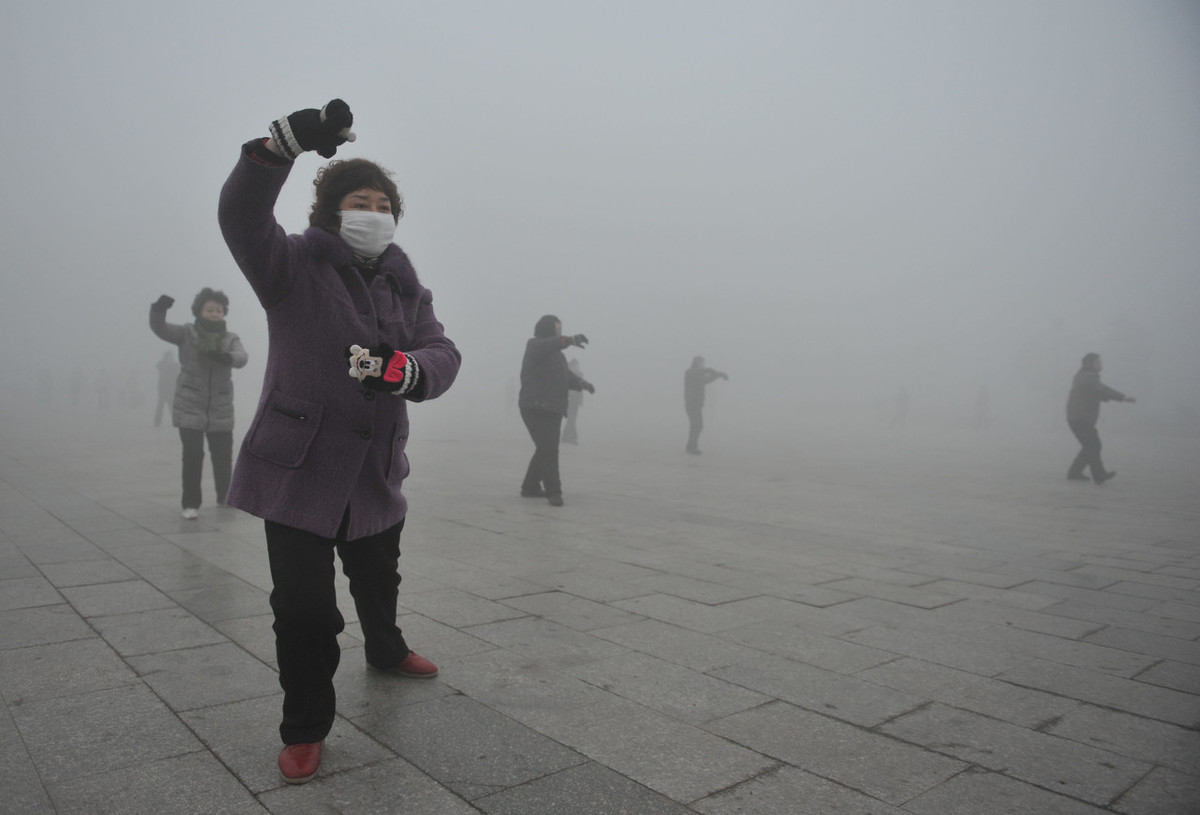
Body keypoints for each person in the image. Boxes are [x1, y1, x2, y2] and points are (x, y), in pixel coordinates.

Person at [218, 99, 461, 784]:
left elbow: (442, 351)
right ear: (331, 210)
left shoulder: (407, 287)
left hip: (374, 472)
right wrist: (278, 148)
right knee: (304, 610)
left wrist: (408, 370)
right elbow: (240, 215)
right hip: (299, 469)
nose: (374, 210)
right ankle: (304, 725)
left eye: (384, 202)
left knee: (378, 576)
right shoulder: (290, 264)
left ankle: (385, 647)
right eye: (360, 200)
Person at [149, 288, 248, 519]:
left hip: (220, 406)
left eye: (219, 310)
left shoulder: (229, 338)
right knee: (193, 455)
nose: (215, 314)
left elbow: (242, 357)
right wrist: (158, 310)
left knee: (222, 456)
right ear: (199, 311)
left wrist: (227, 358)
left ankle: (226, 496)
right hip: (189, 404)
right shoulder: (187, 333)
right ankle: (190, 503)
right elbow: (160, 329)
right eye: (210, 310)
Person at [519, 315, 594, 505]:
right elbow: (549, 345)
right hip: (535, 406)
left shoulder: (557, 355)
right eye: (557, 329)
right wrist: (569, 340)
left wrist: (581, 383)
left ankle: (530, 486)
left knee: (545, 447)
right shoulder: (535, 346)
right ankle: (554, 492)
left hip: (552, 407)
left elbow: (564, 375)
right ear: (547, 329)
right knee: (549, 448)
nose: (560, 332)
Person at [1066, 352, 1135, 484]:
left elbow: (1097, 392)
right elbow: (1102, 390)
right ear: (1089, 364)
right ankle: (1099, 474)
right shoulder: (1089, 377)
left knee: (1090, 445)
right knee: (1093, 445)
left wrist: (1112, 397)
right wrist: (1122, 397)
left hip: (1078, 417)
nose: (1101, 365)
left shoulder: (1084, 377)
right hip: (1081, 418)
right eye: (1098, 362)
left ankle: (1075, 472)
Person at [684, 356, 728, 454]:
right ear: (697, 363)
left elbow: (704, 373)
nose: (703, 365)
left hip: (696, 404)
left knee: (696, 425)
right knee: (697, 425)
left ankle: (691, 447)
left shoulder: (695, 372)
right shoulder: (690, 373)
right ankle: (691, 448)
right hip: (692, 404)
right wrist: (718, 374)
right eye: (702, 363)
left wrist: (714, 372)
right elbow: (705, 379)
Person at [561, 358, 584, 444]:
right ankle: (571, 437)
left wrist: (581, 400)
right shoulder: (567, 374)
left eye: (577, 365)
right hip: (569, 400)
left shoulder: (580, 375)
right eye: (575, 365)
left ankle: (567, 437)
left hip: (575, 401)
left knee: (572, 419)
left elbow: (580, 389)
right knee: (571, 419)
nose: (577, 367)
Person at [154, 350, 180, 427]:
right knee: (160, 404)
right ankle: (157, 422)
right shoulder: (161, 364)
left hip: (172, 387)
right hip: (162, 387)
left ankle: (175, 421)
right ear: (166, 357)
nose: (172, 357)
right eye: (171, 356)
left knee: (171, 404)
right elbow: (159, 367)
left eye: (173, 356)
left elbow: (177, 374)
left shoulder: (175, 365)